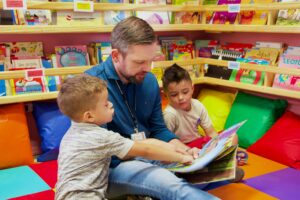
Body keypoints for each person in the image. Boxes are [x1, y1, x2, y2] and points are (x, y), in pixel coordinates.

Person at [85, 16, 220, 200]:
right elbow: (103, 153)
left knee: (199, 167)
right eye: (140, 62)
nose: (148, 68)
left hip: (151, 155)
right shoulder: (91, 86)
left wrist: (182, 149)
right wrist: (161, 154)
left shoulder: (147, 80)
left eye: (151, 60)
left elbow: (158, 129)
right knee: (171, 185)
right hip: (115, 167)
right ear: (116, 56)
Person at [55, 74, 195, 200]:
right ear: (89, 116)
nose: (111, 105)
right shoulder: (101, 137)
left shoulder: (71, 135)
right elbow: (146, 150)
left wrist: (175, 148)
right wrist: (181, 158)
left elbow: (149, 143)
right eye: (105, 104)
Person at [161, 63, 245, 182]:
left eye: (185, 92)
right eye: (174, 95)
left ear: (192, 88)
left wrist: (219, 145)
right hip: (183, 150)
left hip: (199, 145)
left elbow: (210, 132)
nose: (180, 98)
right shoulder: (170, 114)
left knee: (232, 136)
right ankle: (213, 170)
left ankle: (228, 167)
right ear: (166, 95)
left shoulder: (198, 105)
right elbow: (168, 144)